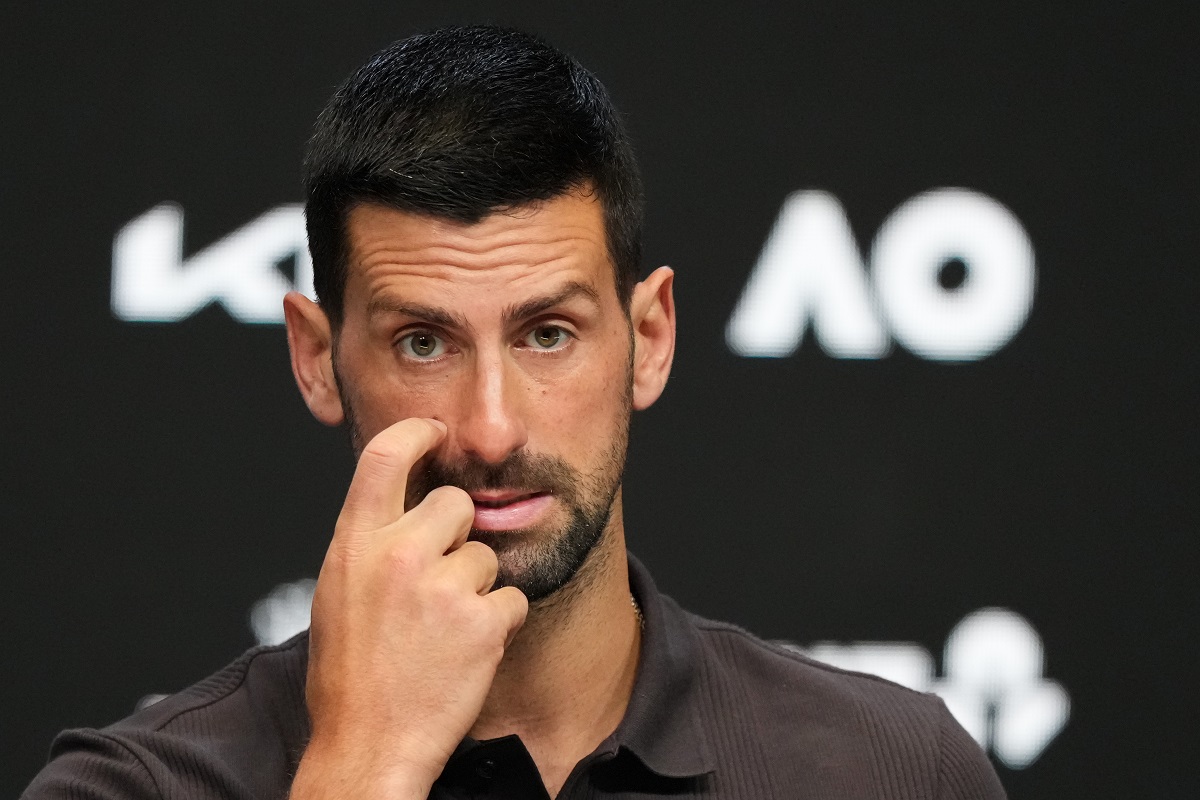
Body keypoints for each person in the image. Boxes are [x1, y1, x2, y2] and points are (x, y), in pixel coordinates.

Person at [24, 25, 1007, 800]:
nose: (492, 430)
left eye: (547, 333)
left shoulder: (891, 771)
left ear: (650, 336)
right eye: (423, 341)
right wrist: (364, 759)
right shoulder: (131, 787)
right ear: (318, 360)